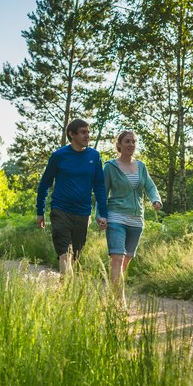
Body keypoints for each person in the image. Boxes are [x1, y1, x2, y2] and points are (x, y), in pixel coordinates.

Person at [36, 119, 108, 277]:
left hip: (83, 213)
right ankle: (68, 289)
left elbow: (99, 187)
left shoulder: (94, 156)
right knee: (65, 253)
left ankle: (64, 289)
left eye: (88, 132)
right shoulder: (59, 156)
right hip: (61, 210)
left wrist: (103, 213)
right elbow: (44, 184)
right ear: (71, 134)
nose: (87, 135)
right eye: (83, 132)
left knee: (75, 256)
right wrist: (40, 211)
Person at [103, 130, 161, 304]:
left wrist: (155, 199)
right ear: (119, 145)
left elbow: (150, 186)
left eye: (134, 142)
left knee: (125, 262)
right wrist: (101, 215)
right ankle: (119, 302)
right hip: (116, 217)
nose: (131, 145)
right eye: (127, 141)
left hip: (136, 220)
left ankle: (112, 296)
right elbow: (102, 193)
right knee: (117, 258)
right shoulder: (110, 167)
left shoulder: (141, 166)